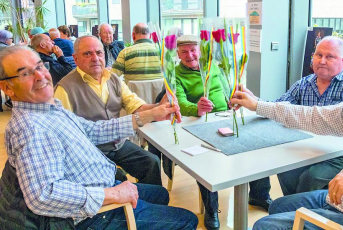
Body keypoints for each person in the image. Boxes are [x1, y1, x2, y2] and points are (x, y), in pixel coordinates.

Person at [0, 46, 198, 229]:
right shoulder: (32, 126)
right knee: (188, 220)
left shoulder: (50, 108)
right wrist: (112, 194)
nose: (40, 76)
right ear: (7, 88)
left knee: (160, 193)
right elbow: (43, 196)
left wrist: (151, 114)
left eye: (40, 66)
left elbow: (93, 130)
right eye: (25, 73)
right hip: (94, 212)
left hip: (101, 177)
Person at [230, 32, 343, 229]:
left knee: (265, 225)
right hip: (340, 199)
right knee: (278, 206)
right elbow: (311, 116)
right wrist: (257, 104)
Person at [175, 34, 272, 229]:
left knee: (255, 146)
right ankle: (212, 209)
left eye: (193, 50)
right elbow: (179, 102)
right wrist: (196, 108)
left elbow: (228, 89)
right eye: (184, 52)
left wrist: (234, 98)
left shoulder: (215, 66)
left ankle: (259, 196)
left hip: (227, 118)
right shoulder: (175, 74)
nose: (190, 55)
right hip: (197, 123)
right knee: (205, 162)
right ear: (177, 54)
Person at [252, 36, 343, 196]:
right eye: (318, 55)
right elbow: (278, 107)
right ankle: (292, 211)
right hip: (308, 148)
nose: (322, 61)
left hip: (339, 154)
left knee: (311, 177)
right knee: (285, 168)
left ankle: (301, 214)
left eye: (329, 56)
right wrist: (255, 102)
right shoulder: (304, 84)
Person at [55, 35, 165, 186]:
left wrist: (159, 107)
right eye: (87, 54)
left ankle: (150, 205)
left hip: (117, 144)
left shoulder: (113, 79)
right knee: (118, 178)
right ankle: (129, 207)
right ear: (75, 59)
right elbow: (64, 135)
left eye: (99, 53)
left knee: (151, 162)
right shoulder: (65, 88)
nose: (95, 58)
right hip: (90, 151)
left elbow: (135, 106)